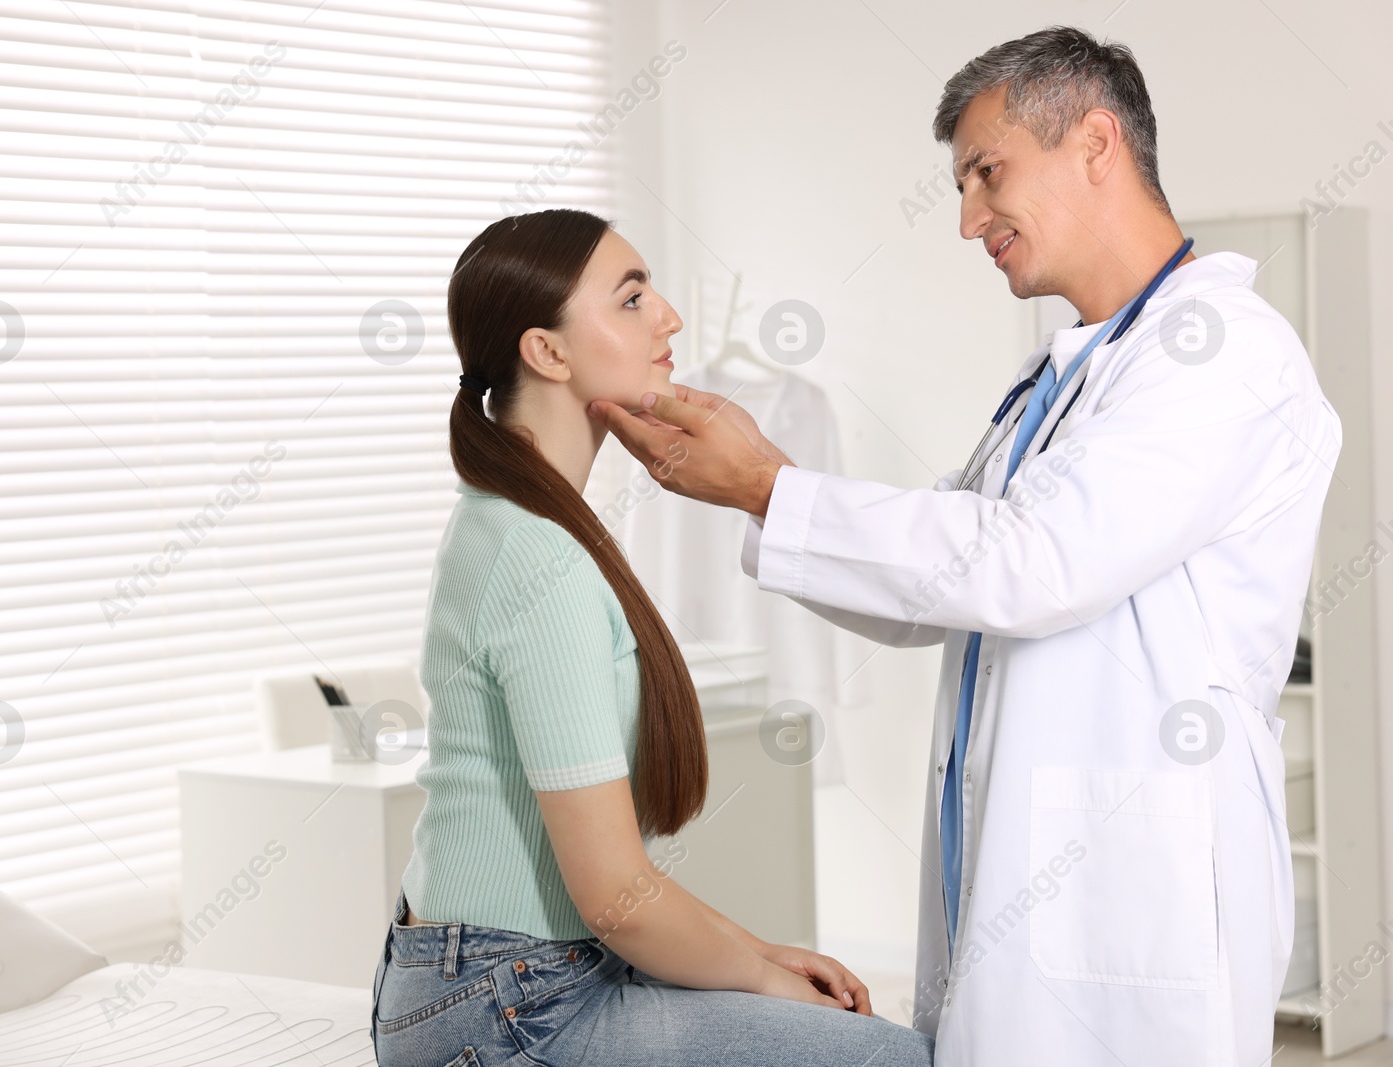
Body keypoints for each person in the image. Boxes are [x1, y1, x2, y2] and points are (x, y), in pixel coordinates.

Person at [590, 26, 1339, 1067]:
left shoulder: (1221, 352)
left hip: (1136, 886)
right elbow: (939, 588)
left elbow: (1033, 564)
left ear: (1093, 141)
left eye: (986, 175)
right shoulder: (1059, 376)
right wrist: (756, 499)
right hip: (1026, 881)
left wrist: (771, 480)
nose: (965, 219)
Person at [369, 208, 934, 1067]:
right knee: (893, 1059)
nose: (668, 316)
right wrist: (764, 978)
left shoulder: (509, 520)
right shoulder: (538, 554)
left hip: (485, 979)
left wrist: (761, 955)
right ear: (547, 353)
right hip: (506, 1004)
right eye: (631, 298)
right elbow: (618, 899)